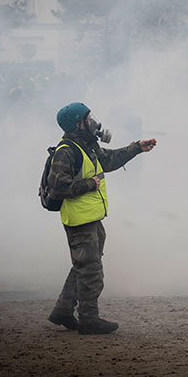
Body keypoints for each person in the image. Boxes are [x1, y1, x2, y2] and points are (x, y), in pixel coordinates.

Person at [46, 102, 156, 335]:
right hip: (79, 221)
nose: (93, 122)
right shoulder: (66, 151)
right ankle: (88, 319)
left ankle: (63, 310)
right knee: (91, 272)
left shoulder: (86, 145)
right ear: (78, 124)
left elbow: (109, 160)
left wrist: (137, 147)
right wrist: (90, 184)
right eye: (88, 118)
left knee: (82, 267)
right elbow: (57, 187)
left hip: (91, 218)